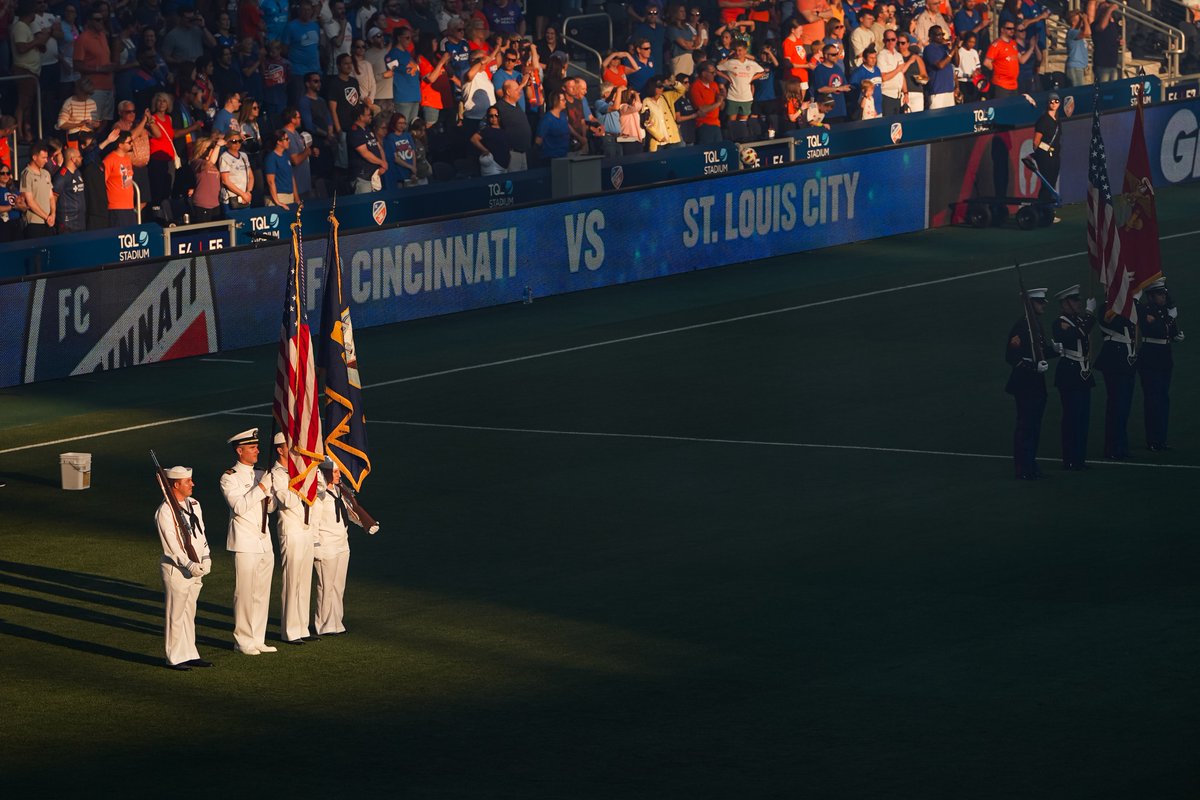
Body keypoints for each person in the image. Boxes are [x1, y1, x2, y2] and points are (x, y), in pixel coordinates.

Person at [221, 429, 278, 655]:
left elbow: (270, 508)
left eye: (256, 447)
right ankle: (243, 640)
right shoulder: (229, 477)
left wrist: (269, 494)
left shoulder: (260, 473)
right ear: (239, 450)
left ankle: (258, 638)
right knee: (245, 592)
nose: (257, 451)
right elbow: (239, 507)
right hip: (245, 542)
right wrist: (262, 488)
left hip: (264, 541)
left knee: (262, 592)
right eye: (252, 448)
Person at [156, 465, 213, 671]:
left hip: (197, 566)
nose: (192, 484)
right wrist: (189, 564)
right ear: (176, 484)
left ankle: (190, 652)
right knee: (176, 614)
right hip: (177, 570)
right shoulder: (165, 511)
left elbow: (201, 533)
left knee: (190, 612)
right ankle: (174, 656)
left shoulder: (194, 504)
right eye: (188, 481)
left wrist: (205, 556)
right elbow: (171, 546)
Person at [271, 433, 319, 644]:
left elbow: (319, 489)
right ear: (280, 450)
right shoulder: (277, 474)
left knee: (304, 580)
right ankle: (290, 631)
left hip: (306, 529)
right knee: (292, 580)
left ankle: (302, 628)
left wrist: (304, 478)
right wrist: (300, 483)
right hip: (291, 529)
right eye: (289, 448)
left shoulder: (299, 471)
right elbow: (287, 500)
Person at [1005, 287, 1051, 480]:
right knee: (1026, 426)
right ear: (1029, 304)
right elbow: (1011, 357)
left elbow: (1040, 352)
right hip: (1025, 384)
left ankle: (1030, 463)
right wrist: (1033, 368)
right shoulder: (1022, 327)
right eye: (1039, 303)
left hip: (1036, 384)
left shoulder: (1035, 325)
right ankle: (1023, 467)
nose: (1042, 306)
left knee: (1034, 426)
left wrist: (1055, 350)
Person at [1052, 285, 1096, 471]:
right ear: (1065, 303)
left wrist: (1087, 315)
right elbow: (1078, 333)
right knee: (1072, 418)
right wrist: (1090, 313)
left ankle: (1079, 458)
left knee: (1083, 418)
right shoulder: (1060, 322)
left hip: (1082, 373)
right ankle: (1070, 458)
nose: (1078, 303)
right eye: (1075, 300)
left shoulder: (1077, 320)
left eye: (1078, 300)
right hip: (1070, 374)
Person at [1137, 280, 1184, 452]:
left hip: (1164, 358)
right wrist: (1171, 318)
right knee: (1153, 400)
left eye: (1164, 293)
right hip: (1151, 358)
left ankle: (1161, 438)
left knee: (1163, 399)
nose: (1163, 296)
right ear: (1150, 296)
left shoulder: (1164, 311)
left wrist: (1176, 335)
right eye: (1159, 294)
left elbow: (1170, 332)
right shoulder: (1146, 311)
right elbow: (1158, 329)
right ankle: (1153, 439)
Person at [1094, 305, 1136, 460]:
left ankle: (1121, 446)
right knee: (1117, 407)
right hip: (1114, 362)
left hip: (1127, 364)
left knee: (1124, 408)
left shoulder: (1125, 306)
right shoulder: (1106, 308)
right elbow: (1118, 323)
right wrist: (1133, 302)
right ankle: (1113, 448)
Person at [717, 41, 767, 142]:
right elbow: (717, 68)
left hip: (746, 97)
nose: (738, 53)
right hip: (733, 97)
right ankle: (732, 142)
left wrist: (752, 78)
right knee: (731, 122)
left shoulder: (751, 64)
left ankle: (743, 142)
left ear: (745, 51)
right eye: (736, 50)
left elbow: (762, 72)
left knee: (742, 123)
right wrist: (727, 77)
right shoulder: (730, 63)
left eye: (740, 50)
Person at [1031, 93, 1062, 215]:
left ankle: (1047, 210)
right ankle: (1043, 211)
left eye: (1056, 101)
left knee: (1052, 182)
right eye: (1051, 102)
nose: (1054, 104)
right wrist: (1045, 151)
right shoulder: (1043, 120)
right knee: (1047, 183)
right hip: (1045, 157)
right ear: (1047, 103)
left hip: (1055, 156)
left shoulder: (1058, 119)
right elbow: (1036, 142)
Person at [983, 20, 1029, 99]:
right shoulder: (997, 44)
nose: (1012, 31)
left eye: (1013, 29)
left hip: (1013, 84)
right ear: (1002, 29)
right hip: (1001, 85)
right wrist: (998, 70)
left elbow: (1020, 59)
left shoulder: (1013, 43)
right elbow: (987, 62)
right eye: (1009, 28)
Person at [348, 104, 387, 193]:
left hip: (375, 175)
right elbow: (365, 153)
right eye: (368, 115)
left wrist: (383, 164)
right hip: (363, 177)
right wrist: (381, 162)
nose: (371, 116)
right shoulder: (354, 131)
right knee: (364, 204)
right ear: (360, 117)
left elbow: (379, 147)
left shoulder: (368, 129)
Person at [20, 141, 56, 238]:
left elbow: (51, 197)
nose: (46, 160)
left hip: (49, 222)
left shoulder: (46, 173)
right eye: (43, 158)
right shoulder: (27, 174)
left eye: (46, 157)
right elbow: (30, 202)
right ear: (34, 157)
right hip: (35, 223)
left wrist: (53, 214)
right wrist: (46, 217)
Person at [812, 43, 850, 124]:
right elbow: (820, 89)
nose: (836, 56)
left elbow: (844, 85)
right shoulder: (819, 70)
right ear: (826, 55)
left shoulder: (838, 68)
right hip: (827, 112)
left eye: (837, 54)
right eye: (833, 54)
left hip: (840, 111)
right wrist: (838, 88)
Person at [52, 145, 86, 233]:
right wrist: (53, 214)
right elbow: (53, 196)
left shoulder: (78, 173)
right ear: (73, 159)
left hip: (80, 220)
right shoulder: (62, 176)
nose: (81, 158)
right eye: (79, 156)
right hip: (67, 223)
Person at [190, 135, 224, 222]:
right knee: (204, 232)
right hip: (202, 205)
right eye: (209, 148)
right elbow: (210, 162)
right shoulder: (197, 162)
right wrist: (217, 146)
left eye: (211, 147)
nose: (212, 150)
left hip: (216, 204)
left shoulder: (214, 164)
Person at [922, 26, 958, 110]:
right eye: (938, 34)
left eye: (942, 34)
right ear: (931, 36)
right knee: (936, 120)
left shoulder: (945, 48)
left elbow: (956, 63)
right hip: (937, 91)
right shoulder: (929, 49)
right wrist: (951, 52)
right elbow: (940, 65)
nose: (941, 37)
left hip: (949, 90)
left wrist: (955, 47)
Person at [690, 61, 725, 144]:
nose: (714, 75)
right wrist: (718, 103)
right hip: (704, 125)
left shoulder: (714, 85)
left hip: (716, 124)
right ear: (704, 73)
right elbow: (701, 109)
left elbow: (722, 107)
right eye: (712, 73)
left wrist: (722, 99)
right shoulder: (696, 86)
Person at [264, 128, 298, 208]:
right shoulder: (271, 158)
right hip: (279, 196)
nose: (289, 141)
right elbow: (270, 181)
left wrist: (296, 198)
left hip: (289, 195)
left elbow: (291, 177)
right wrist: (277, 201)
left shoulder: (286, 155)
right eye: (286, 139)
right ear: (279, 142)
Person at [219, 132, 254, 209]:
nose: (237, 143)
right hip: (232, 198)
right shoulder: (224, 157)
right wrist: (242, 194)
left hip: (245, 197)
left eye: (240, 141)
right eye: (234, 141)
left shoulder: (244, 155)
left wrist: (248, 192)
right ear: (227, 143)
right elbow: (225, 180)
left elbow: (251, 176)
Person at [470, 105, 510, 174]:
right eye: (491, 116)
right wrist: (485, 150)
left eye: (496, 115)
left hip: (505, 166)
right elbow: (474, 139)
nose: (494, 117)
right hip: (493, 166)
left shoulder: (504, 129)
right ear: (488, 117)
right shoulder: (487, 130)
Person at [1090, 1, 1121, 84]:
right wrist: (1109, 9)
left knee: (1113, 90)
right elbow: (1102, 27)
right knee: (1102, 89)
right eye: (1104, 9)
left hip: (1113, 63)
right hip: (1102, 64)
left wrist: (1119, 42)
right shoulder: (1095, 24)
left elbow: (1110, 39)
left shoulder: (1112, 24)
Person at [535, 90, 571, 159]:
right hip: (551, 157)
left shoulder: (563, 116)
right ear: (555, 101)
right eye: (563, 100)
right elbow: (538, 140)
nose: (565, 102)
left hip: (564, 155)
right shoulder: (547, 119)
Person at [1065, 10, 1091, 87]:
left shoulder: (1077, 32)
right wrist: (1085, 19)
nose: (1082, 21)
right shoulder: (1072, 32)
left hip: (1080, 67)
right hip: (1075, 67)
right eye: (1080, 19)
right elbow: (1088, 33)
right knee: (1077, 92)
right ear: (1073, 22)